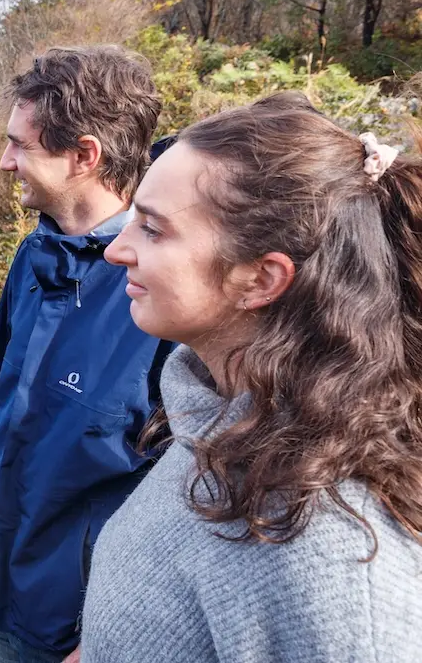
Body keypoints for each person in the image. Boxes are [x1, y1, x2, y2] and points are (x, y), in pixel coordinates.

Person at [83, 99, 422, 661]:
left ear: (260, 279)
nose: (117, 250)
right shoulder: (225, 413)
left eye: (153, 229)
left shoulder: (332, 559)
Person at [0, 46, 174, 662]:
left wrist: (119, 630)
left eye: (20, 145)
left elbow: (194, 486)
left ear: (84, 156)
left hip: (87, 631)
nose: (3, 161)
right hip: (8, 593)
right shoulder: (34, 258)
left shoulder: (167, 288)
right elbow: (0, 410)